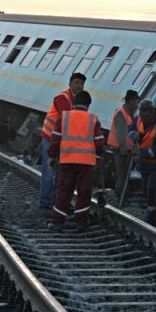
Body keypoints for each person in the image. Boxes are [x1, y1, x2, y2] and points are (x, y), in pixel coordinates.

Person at [47, 91, 105, 232]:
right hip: (86, 162)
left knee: (64, 190)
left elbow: (55, 139)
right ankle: (81, 222)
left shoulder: (64, 117)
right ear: (88, 105)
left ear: (73, 103)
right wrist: (99, 154)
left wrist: (52, 155)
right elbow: (99, 142)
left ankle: (58, 222)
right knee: (84, 192)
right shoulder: (93, 119)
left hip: (67, 159)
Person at [39, 72, 86, 210]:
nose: (79, 86)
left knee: (60, 174)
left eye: (81, 84)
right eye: (76, 83)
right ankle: (45, 203)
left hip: (61, 141)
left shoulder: (76, 100)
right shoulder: (63, 98)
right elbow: (67, 119)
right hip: (50, 139)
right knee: (49, 173)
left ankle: (56, 203)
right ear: (70, 84)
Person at [132, 100, 156, 227]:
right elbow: (130, 128)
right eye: (141, 116)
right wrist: (134, 135)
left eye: (146, 116)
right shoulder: (139, 119)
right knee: (146, 191)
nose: (143, 119)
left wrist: (140, 152)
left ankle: (155, 216)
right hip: (144, 163)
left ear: (152, 112)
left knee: (152, 189)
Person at [106, 90, 140, 201]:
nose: (137, 105)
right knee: (122, 174)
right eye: (136, 102)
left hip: (125, 150)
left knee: (124, 174)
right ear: (130, 101)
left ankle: (122, 194)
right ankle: (121, 195)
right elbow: (121, 135)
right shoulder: (121, 113)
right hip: (120, 150)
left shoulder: (129, 113)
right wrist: (125, 149)